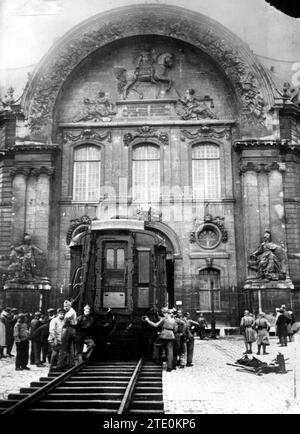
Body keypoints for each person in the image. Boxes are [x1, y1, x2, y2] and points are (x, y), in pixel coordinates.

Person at [143, 307, 177, 372]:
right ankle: (169, 367)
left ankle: (156, 358)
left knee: (156, 344)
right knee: (170, 351)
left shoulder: (164, 318)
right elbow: (175, 329)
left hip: (164, 334)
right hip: (171, 335)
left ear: (164, 312)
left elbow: (156, 325)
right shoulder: (173, 319)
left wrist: (148, 320)